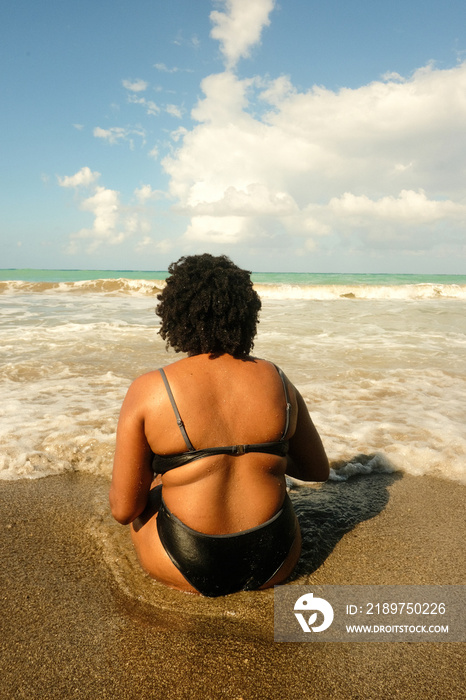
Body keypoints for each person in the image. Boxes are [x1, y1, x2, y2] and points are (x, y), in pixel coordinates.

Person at [109, 254, 329, 597]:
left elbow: (124, 510)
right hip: (276, 557)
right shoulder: (278, 379)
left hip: (182, 559)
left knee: (148, 496)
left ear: (175, 314)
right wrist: (266, 461)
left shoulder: (151, 389)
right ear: (246, 315)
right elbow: (317, 471)